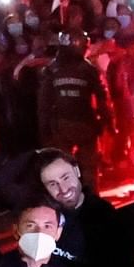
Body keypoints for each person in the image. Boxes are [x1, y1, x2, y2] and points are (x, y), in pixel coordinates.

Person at [37, 29, 111, 190]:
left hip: (61, 124)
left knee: (63, 168)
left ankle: (67, 198)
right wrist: (107, 121)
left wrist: (44, 127)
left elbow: (44, 102)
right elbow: (102, 98)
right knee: (89, 167)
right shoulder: (89, 70)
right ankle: (91, 200)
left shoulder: (51, 69)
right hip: (85, 123)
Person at [37, 148, 121, 267]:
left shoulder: (103, 214)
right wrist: (34, 154)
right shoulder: (42, 216)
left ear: (77, 171)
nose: (63, 189)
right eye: (53, 184)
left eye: (66, 178)